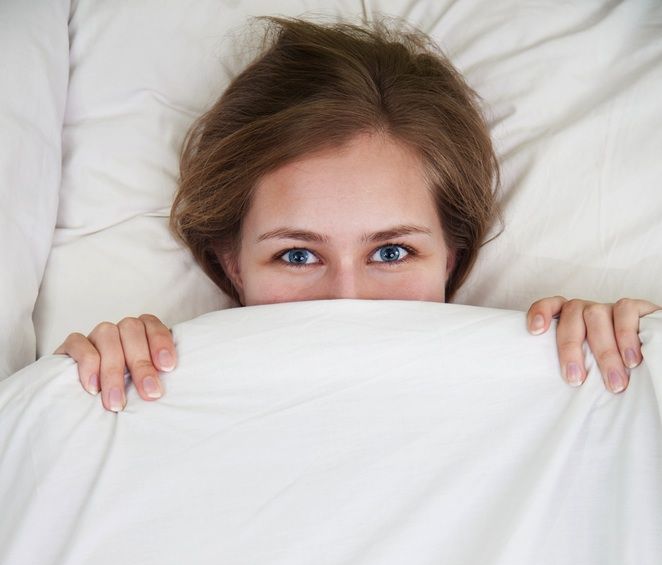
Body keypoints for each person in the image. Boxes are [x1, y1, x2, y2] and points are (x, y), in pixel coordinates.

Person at [54, 17, 660, 413]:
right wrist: (82, 394)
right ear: (231, 266)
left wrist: (632, 353)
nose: (349, 299)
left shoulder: (550, 374)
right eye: (297, 255)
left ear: (453, 255)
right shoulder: (156, 384)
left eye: (392, 252)